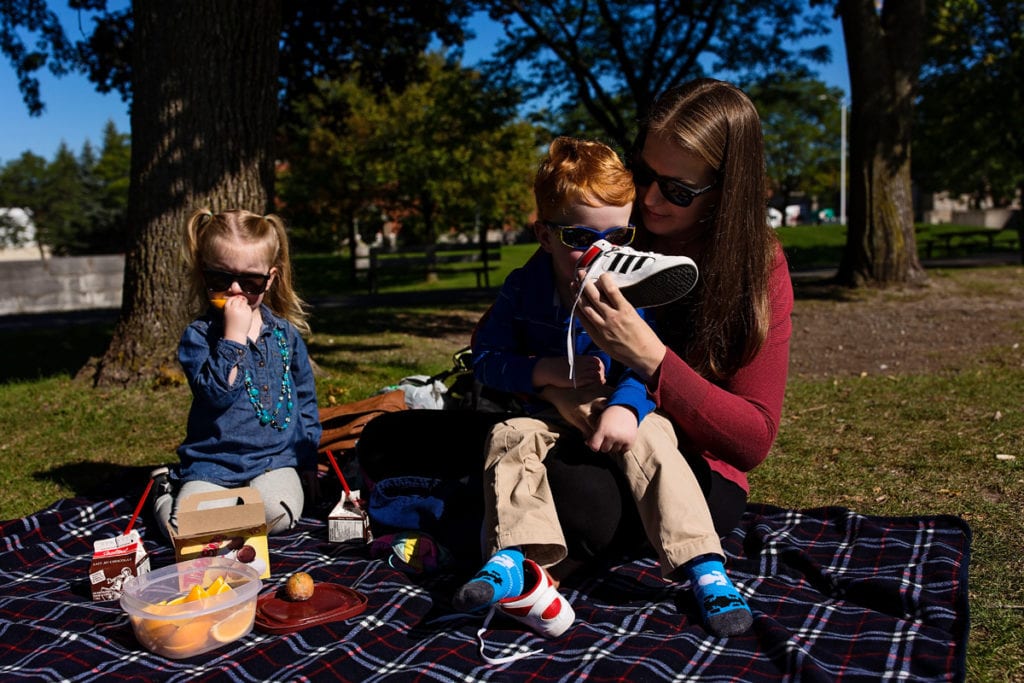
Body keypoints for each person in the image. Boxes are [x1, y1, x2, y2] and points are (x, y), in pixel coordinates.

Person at [356, 77, 792, 637]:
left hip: (676, 460)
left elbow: (751, 439)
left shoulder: (754, 267)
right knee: (393, 437)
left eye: (678, 190)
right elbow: (490, 344)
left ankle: (497, 539)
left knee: (582, 500)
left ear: (726, 191)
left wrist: (651, 360)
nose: (653, 199)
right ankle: (509, 545)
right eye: (645, 175)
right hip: (554, 423)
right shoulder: (603, 229)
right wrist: (556, 387)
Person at [453, 136, 750, 638]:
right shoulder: (523, 289)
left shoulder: (628, 289)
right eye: (578, 237)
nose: (599, 251)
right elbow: (484, 360)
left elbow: (642, 366)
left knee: (656, 441)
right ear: (544, 236)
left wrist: (627, 409)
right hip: (546, 410)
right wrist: (543, 371)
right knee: (507, 438)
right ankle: (514, 561)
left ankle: (704, 565)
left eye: (617, 236)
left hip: (612, 408)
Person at [152, 208, 322, 538]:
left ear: (270, 279)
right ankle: (164, 491)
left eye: (251, 281)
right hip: (212, 462)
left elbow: (305, 398)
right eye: (220, 279)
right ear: (204, 276)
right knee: (183, 529)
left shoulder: (284, 334)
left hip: (274, 460)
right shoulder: (199, 336)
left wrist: (307, 462)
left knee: (281, 513)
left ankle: (227, 514)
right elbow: (216, 395)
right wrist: (233, 338)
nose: (235, 290)